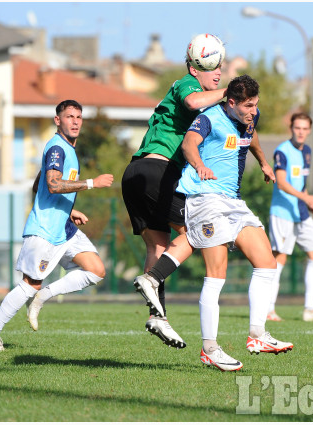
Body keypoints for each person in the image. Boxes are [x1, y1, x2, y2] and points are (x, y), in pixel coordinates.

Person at [176, 75, 293, 371]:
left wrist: (264, 162)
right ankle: (210, 348)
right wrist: (200, 165)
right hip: (205, 198)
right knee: (217, 273)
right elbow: (189, 145)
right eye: (248, 106)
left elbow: (251, 134)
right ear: (230, 103)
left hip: (233, 201)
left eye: (256, 104)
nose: (253, 111)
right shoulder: (209, 118)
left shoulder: (250, 116)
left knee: (266, 262)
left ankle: (257, 335)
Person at [0, 100, 114, 351]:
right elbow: (53, 184)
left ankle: (44, 296)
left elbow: (38, 186)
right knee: (30, 284)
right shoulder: (57, 149)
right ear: (57, 120)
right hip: (45, 231)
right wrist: (92, 183)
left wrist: (69, 210)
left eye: (79, 117)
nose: (75, 121)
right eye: (69, 116)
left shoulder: (68, 150)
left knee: (96, 270)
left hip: (63, 228)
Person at [121, 50, 228, 349]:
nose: (218, 72)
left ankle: (159, 316)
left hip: (134, 172)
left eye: (220, 66)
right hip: (158, 169)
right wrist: (228, 93)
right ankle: (151, 280)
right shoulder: (186, 85)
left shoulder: (200, 100)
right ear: (194, 69)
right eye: (210, 67)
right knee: (196, 232)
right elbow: (193, 101)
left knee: (158, 244)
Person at [267, 112, 313, 323]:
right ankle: (268, 310)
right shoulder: (282, 151)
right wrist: (307, 198)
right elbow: (282, 182)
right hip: (283, 213)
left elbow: (300, 183)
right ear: (291, 128)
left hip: (301, 212)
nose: (301, 132)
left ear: (310, 131)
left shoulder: (307, 151)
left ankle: (310, 309)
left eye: (305, 129)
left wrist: (309, 204)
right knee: (279, 259)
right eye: (298, 128)